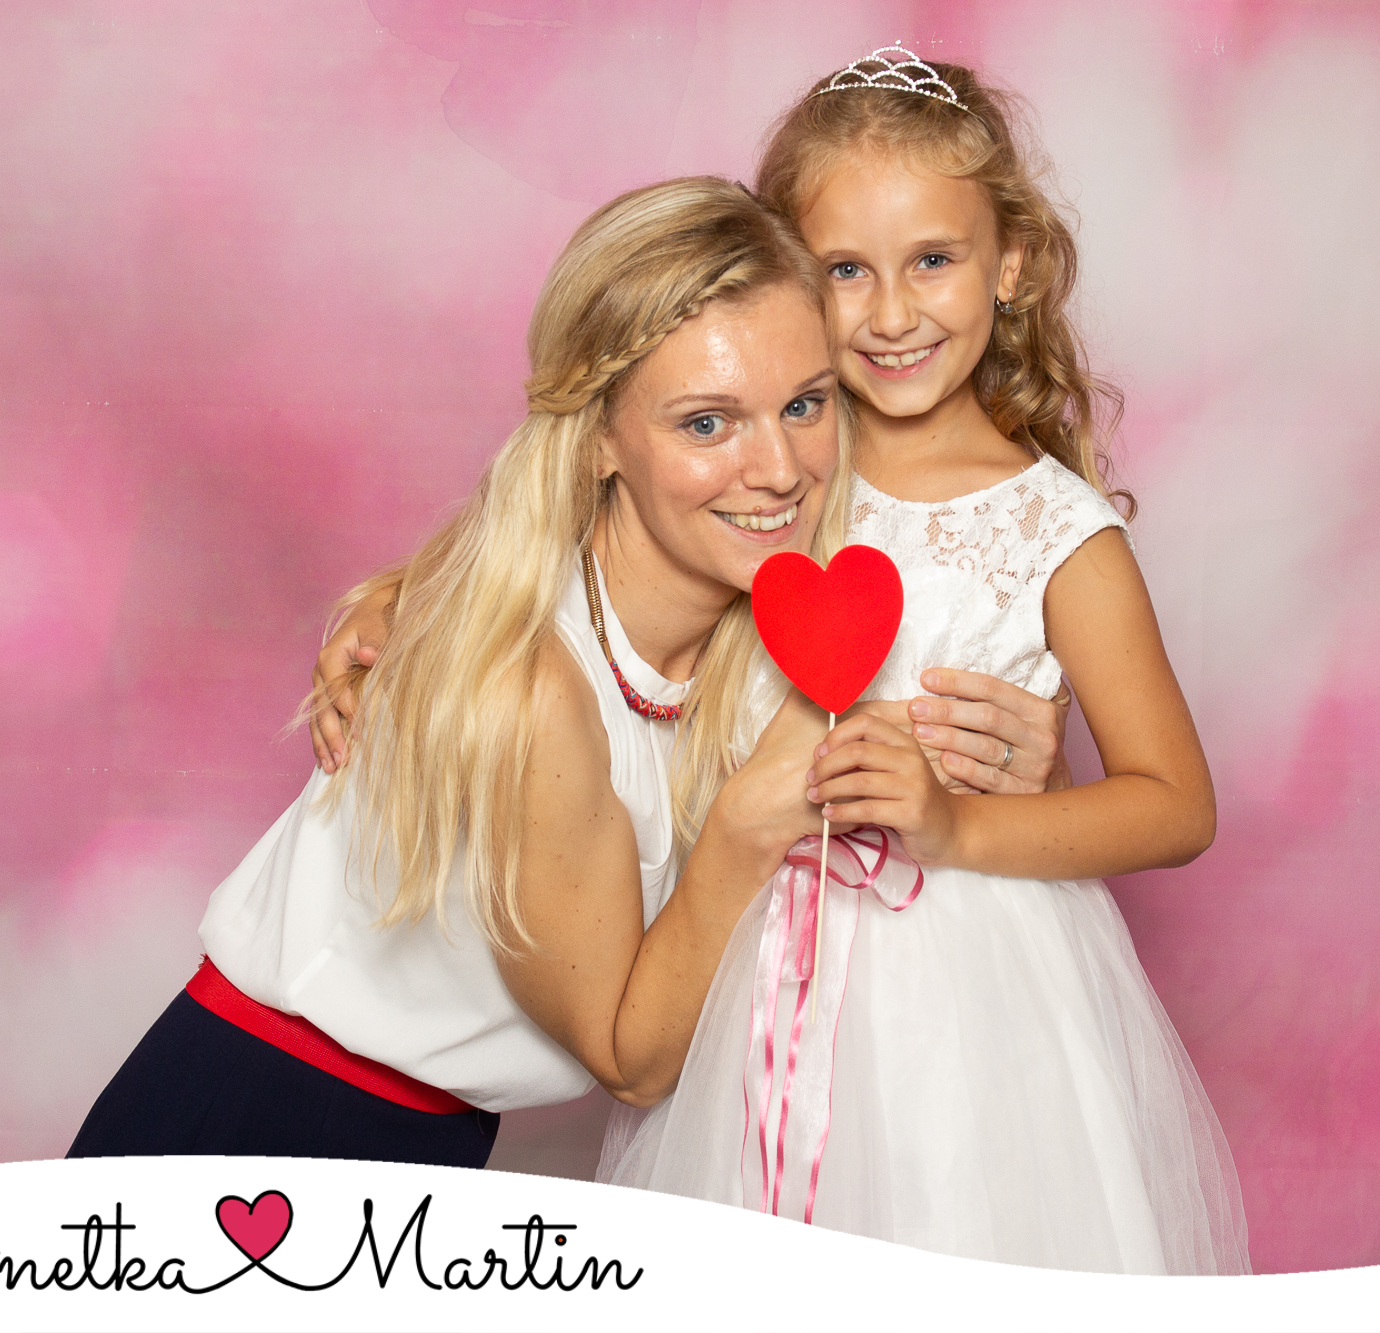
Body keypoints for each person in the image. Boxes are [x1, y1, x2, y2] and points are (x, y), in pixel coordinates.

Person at [589, 51, 1250, 1273]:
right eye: (844, 270)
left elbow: (1175, 804)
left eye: (931, 260)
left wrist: (954, 822)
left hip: (968, 1015)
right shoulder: (767, 473)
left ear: (1010, 263)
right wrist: (394, 622)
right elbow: (581, 567)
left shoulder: (1051, 533)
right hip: (749, 977)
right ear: (787, 278)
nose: (890, 314)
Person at [71, 177, 862, 1165]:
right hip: (260, 1123)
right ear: (600, 438)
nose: (780, 468)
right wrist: (749, 820)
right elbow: (629, 1055)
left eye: (804, 404)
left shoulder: (703, 626)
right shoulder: (534, 688)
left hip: (425, 1142)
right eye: (706, 423)